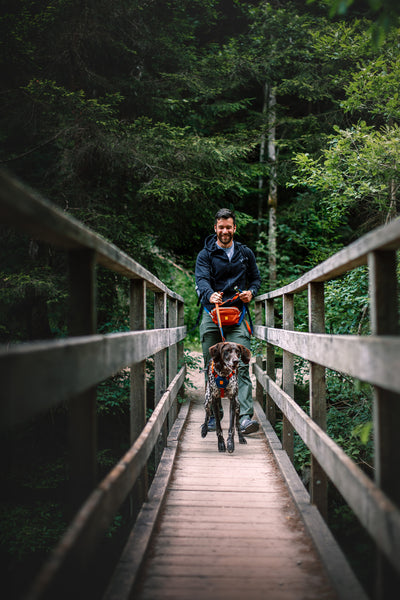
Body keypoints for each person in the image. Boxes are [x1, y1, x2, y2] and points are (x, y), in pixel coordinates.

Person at [195, 208, 261, 435]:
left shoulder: (245, 253)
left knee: (241, 364)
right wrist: (209, 293)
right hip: (212, 314)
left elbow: (256, 278)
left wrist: (251, 292)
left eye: (228, 227)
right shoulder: (205, 254)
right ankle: (213, 417)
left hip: (237, 315)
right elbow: (201, 279)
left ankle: (244, 419)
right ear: (215, 228)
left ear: (234, 228)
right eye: (220, 227)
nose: (225, 231)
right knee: (211, 366)